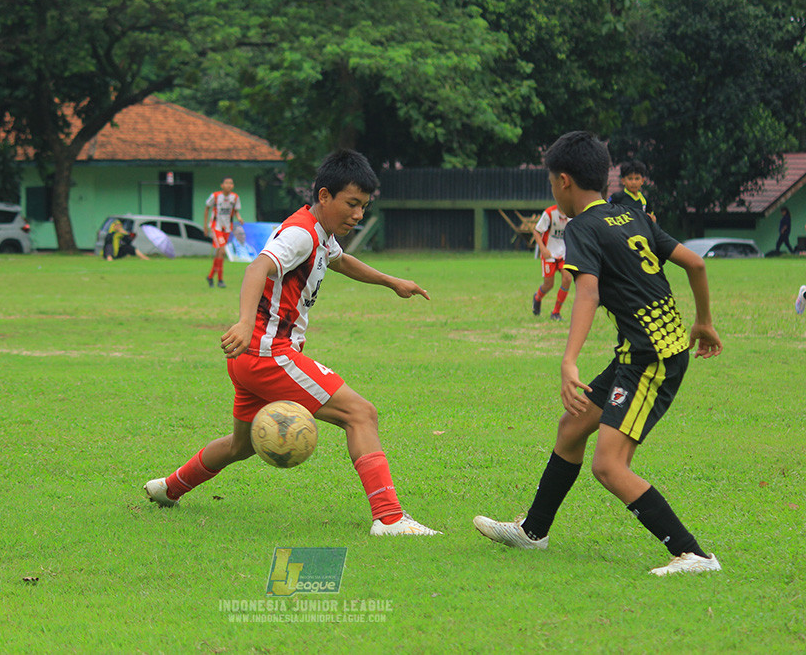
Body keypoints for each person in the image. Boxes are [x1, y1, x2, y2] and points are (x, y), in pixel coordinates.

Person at [145, 149, 439, 536]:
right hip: (269, 354)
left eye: (363, 207)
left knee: (241, 445)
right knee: (361, 414)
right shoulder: (301, 233)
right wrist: (246, 322)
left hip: (249, 360)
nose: (357, 214)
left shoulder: (321, 232)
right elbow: (258, 266)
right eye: (351, 204)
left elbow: (341, 261)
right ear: (323, 196)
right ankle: (389, 518)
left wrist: (392, 282)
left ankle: (168, 488)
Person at [474, 131, 723, 576]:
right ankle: (533, 532)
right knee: (572, 426)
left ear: (564, 181)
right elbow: (696, 263)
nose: (553, 190)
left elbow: (586, 290)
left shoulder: (583, 227)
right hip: (641, 350)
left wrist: (569, 360)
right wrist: (703, 320)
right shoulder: (631, 211)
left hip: (652, 357)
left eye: (552, 183)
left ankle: (695, 555)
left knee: (608, 465)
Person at [531, 204, 572, 321]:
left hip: (564, 254)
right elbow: (536, 231)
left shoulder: (572, 213)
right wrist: (543, 249)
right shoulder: (549, 213)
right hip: (549, 254)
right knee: (549, 284)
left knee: (567, 279)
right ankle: (538, 297)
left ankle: (556, 313)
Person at [204, 177, 244, 288]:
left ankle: (211, 276)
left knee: (219, 253)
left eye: (231, 183)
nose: (229, 185)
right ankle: (220, 279)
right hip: (216, 227)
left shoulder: (235, 197)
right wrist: (205, 226)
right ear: (222, 185)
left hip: (227, 228)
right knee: (222, 251)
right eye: (226, 183)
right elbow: (207, 208)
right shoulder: (215, 196)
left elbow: (236, 211)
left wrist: (239, 218)